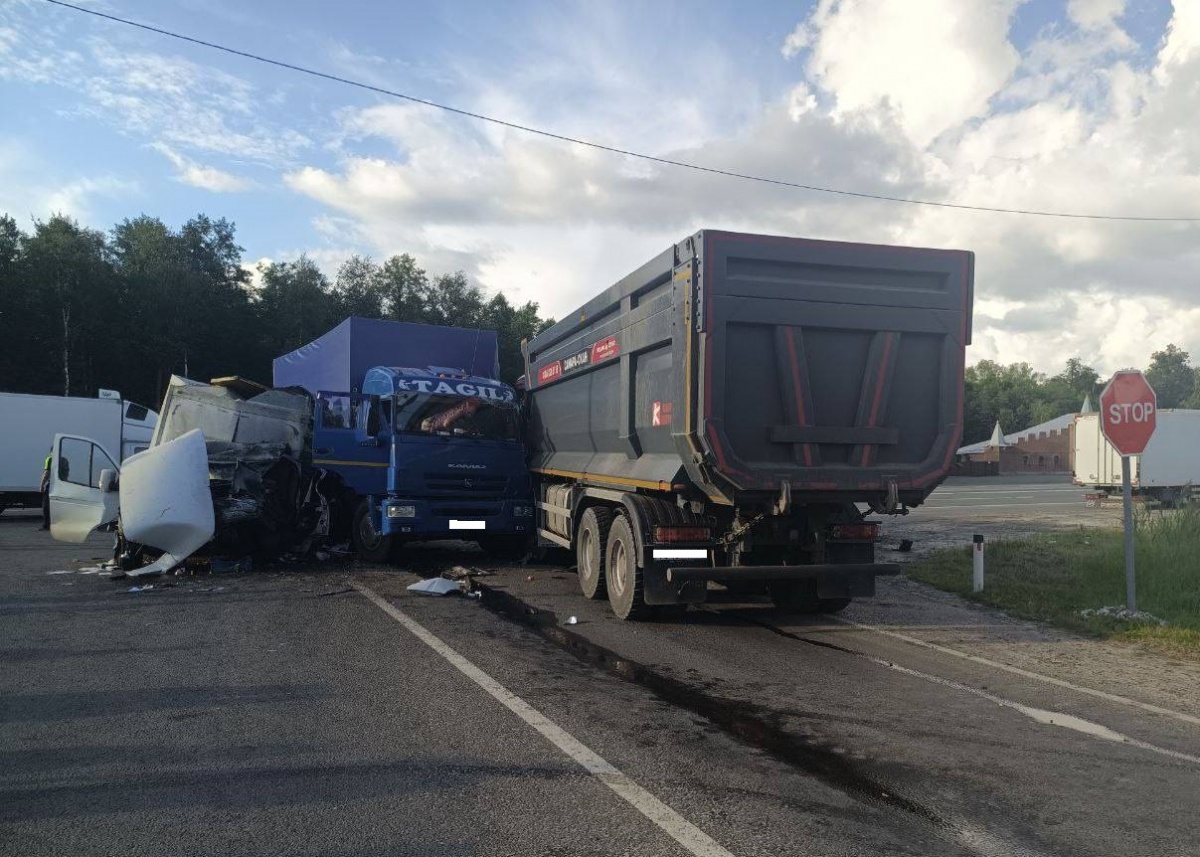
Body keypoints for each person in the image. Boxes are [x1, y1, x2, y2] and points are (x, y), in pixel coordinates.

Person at [39, 450, 51, 530]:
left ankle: (47, 525)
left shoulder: (50, 458)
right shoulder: (64, 460)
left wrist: (42, 485)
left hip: (52, 485)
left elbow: (46, 473)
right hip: (61, 485)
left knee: (46, 506)